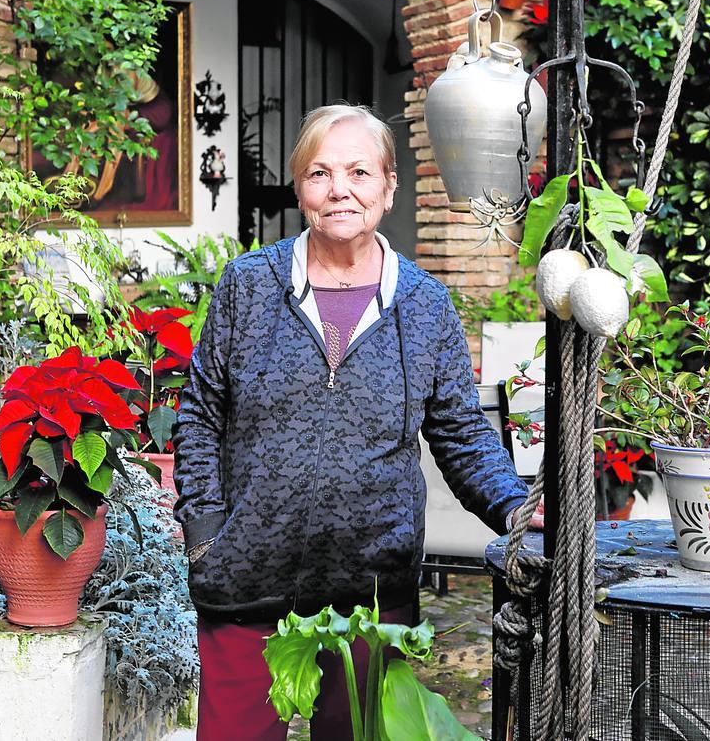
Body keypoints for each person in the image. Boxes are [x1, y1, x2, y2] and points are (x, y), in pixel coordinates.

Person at [171, 103, 531, 739]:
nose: (340, 189)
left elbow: (462, 435)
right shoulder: (249, 286)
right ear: (300, 187)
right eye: (320, 172)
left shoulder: (424, 304)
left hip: (371, 591)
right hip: (244, 579)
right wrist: (205, 532)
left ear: (388, 187)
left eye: (360, 172)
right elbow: (201, 412)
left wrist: (518, 513)